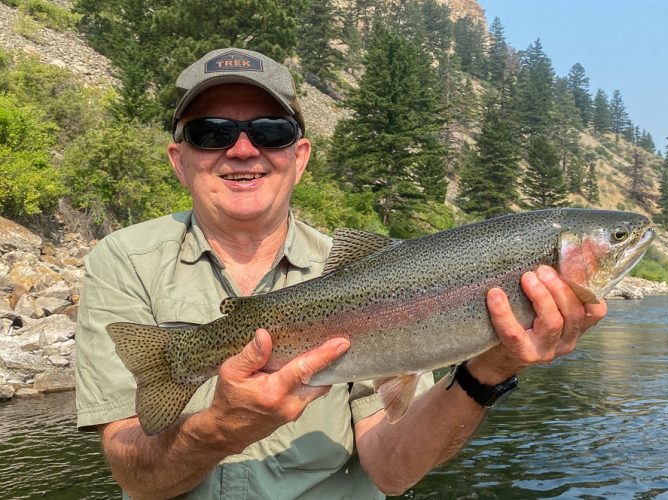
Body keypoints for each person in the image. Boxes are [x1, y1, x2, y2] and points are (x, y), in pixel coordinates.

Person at [74, 47, 607, 499]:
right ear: (178, 158)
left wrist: (489, 369)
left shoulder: (369, 274)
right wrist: (221, 428)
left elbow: (392, 468)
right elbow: (133, 472)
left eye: (270, 131)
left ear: (299, 155)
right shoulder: (123, 261)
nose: (242, 149)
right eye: (211, 132)